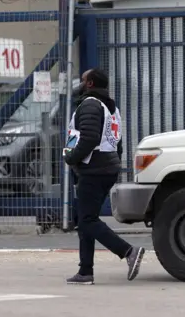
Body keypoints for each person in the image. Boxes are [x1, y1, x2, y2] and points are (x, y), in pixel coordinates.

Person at [63, 68, 145, 285]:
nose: (79, 83)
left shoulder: (90, 104)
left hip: (93, 170)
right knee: (87, 218)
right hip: (106, 168)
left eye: (82, 80)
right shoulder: (110, 107)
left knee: (87, 220)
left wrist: (72, 157)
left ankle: (128, 252)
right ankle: (85, 271)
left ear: (89, 83)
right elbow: (116, 141)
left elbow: (88, 138)